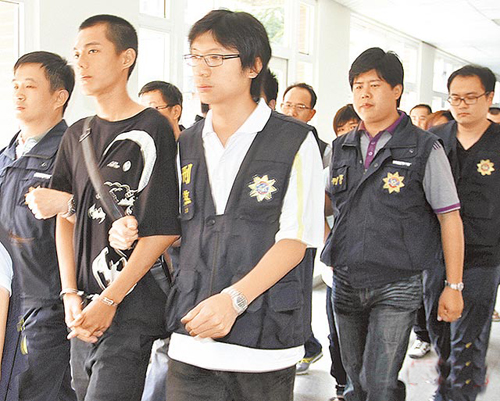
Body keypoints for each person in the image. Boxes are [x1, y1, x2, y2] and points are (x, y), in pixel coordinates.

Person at [110, 9, 323, 401]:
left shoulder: (294, 140)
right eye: (195, 57)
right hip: (192, 337)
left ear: (253, 66)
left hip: (264, 344)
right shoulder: (187, 143)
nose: (201, 69)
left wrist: (234, 299)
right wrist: (130, 228)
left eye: (216, 57)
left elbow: (296, 239)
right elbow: (174, 228)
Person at [26, 15, 180, 401]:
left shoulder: (154, 128)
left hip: (132, 305)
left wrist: (111, 299)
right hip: (84, 306)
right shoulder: (77, 133)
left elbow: (163, 228)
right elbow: (64, 220)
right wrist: (69, 294)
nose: (81, 62)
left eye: (93, 51)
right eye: (77, 53)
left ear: (126, 58)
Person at [321, 47, 464, 401]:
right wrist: (327, 241)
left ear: (397, 90)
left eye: (374, 85)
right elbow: (323, 203)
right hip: (346, 280)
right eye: (357, 86)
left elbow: (449, 217)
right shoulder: (339, 147)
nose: (364, 94)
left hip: (397, 283)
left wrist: (454, 285)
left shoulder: (424, 148)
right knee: (354, 383)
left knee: (379, 382)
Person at [0, 51, 76, 401]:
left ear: (59, 97)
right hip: (7, 298)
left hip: (45, 306)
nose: (18, 93)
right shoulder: (6, 156)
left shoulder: (73, 154)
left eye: (29, 86)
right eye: (15, 85)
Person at [425, 65, 500, 401]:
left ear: (489, 97)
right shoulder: (434, 139)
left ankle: (458, 394)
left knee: (468, 338)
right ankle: (449, 388)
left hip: (483, 256)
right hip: (436, 254)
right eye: (455, 98)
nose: (461, 105)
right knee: (438, 330)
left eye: (470, 97)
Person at [137, 80, 184, 401]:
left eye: (154, 109)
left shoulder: (193, 151)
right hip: (151, 263)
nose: (147, 118)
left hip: (183, 263)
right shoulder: (142, 153)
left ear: (175, 111)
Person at [280, 82, 328, 375]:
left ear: (311, 113)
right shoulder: (269, 140)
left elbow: (322, 200)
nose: (292, 111)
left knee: (298, 294)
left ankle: (305, 345)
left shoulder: (322, 149)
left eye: (300, 107)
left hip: (302, 237)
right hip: (274, 234)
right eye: (287, 104)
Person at [323, 103, 361, 400]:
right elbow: (317, 207)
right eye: (342, 128)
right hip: (338, 265)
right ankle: (341, 386)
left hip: (375, 268)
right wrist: (329, 243)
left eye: (353, 126)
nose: (348, 133)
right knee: (337, 334)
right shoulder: (334, 163)